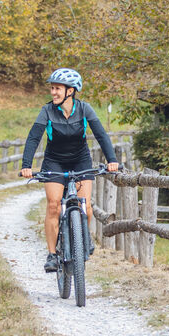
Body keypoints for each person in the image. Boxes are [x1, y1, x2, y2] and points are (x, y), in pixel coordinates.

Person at [20, 68, 119, 273]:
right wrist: (26, 166)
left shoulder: (85, 109)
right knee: (54, 205)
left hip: (80, 160)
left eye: (57, 88)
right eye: (52, 88)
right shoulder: (46, 111)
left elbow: (101, 134)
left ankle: (83, 238)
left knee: (86, 206)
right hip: (54, 161)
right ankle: (52, 255)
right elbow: (33, 137)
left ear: (71, 91)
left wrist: (112, 161)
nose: (53, 92)